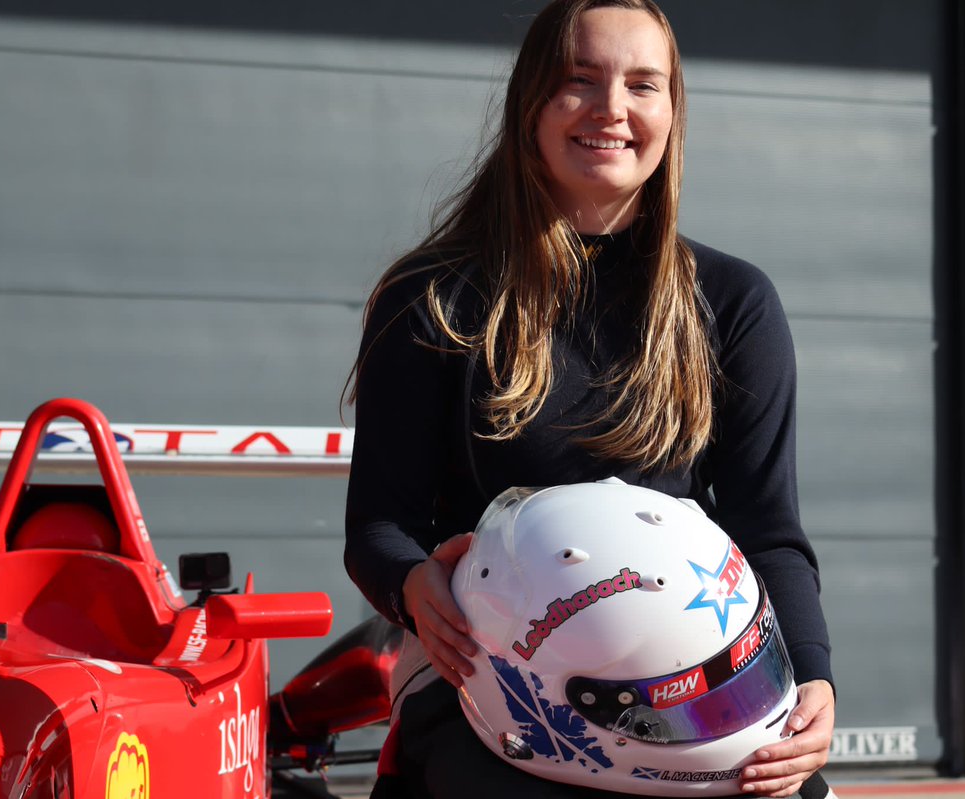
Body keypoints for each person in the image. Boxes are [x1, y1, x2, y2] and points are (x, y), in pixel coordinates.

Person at [343, 1, 836, 797]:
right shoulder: (432, 297)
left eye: (643, 85)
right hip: (492, 682)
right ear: (531, 102)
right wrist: (412, 583)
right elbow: (378, 525)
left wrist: (811, 676)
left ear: (672, 112)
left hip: (685, 698)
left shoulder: (734, 302)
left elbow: (768, 530)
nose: (611, 108)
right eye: (580, 79)